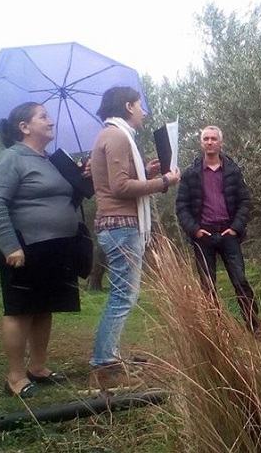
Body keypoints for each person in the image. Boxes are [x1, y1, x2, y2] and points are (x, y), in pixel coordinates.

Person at [0, 102, 81, 398]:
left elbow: (75, 195)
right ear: (24, 127)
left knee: (44, 309)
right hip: (25, 246)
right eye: (44, 117)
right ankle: (14, 377)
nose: (50, 121)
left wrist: (82, 176)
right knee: (20, 311)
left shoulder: (52, 160)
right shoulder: (10, 158)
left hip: (57, 247)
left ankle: (37, 367)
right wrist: (9, 245)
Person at [89, 86, 180, 373]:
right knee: (123, 295)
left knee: (122, 294)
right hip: (121, 226)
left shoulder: (110, 135)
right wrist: (164, 182)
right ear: (128, 106)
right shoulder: (116, 136)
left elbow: (121, 179)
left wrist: (148, 171)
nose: (143, 111)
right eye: (140, 105)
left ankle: (108, 354)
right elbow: (121, 187)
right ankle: (104, 361)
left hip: (118, 225)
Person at [175, 126, 261, 339]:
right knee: (207, 285)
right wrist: (194, 230)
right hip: (203, 236)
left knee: (240, 280)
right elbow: (181, 206)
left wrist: (235, 228)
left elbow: (245, 201)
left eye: (213, 138)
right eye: (206, 138)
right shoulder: (191, 173)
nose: (209, 142)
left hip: (228, 235)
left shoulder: (233, 171)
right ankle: (215, 328)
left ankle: (254, 325)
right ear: (201, 143)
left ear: (220, 142)